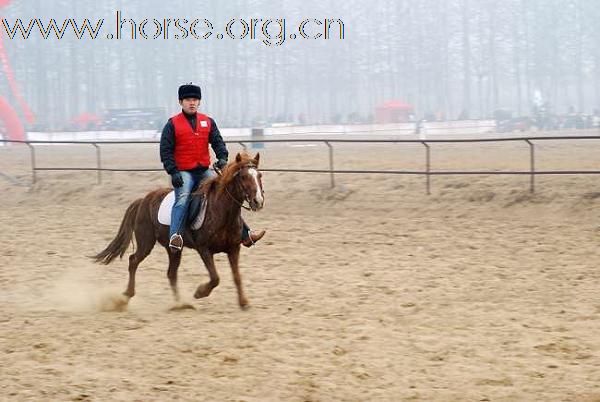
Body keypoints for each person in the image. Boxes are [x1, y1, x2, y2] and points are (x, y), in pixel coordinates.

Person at [160, 83, 265, 251]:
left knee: (226, 194)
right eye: (187, 99)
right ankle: (175, 236)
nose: (192, 102)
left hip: (203, 170)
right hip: (183, 172)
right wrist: (173, 171)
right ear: (181, 102)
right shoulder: (172, 124)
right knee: (182, 199)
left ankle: (245, 234)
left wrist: (222, 158)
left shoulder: (207, 122)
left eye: (195, 99)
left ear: (199, 102)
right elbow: (165, 150)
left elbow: (218, 142)